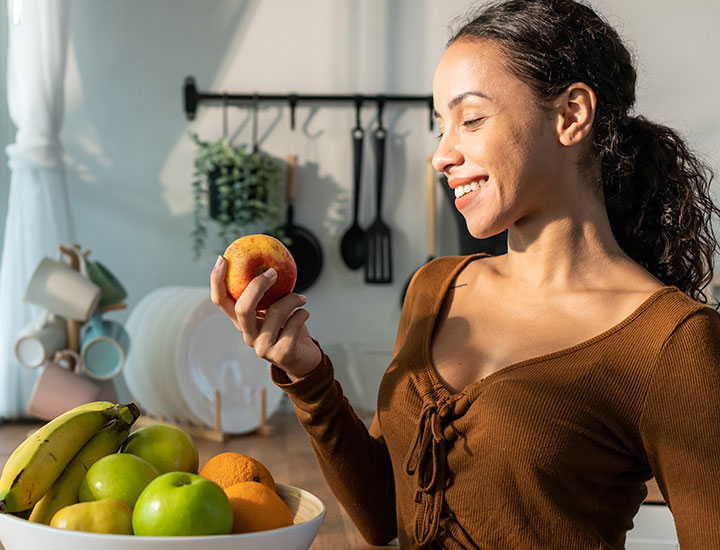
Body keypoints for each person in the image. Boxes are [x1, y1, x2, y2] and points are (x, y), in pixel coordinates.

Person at [210, 0, 720, 548]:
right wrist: (305, 371)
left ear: (571, 115)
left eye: (471, 119)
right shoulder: (436, 288)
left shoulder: (673, 342)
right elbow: (384, 513)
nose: (441, 155)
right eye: (439, 127)